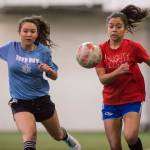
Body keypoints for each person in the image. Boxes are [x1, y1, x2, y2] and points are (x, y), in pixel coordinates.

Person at [0, 15, 81, 150]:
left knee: (57, 135)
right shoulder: (10, 48)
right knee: (29, 136)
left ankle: (66, 137)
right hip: (20, 102)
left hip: (41, 101)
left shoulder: (44, 52)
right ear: (19, 32)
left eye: (32, 31)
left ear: (37, 34)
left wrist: (48, 70)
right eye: (25, 31)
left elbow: (55, 76)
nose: (29, 34)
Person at [95, 5, 150, 150]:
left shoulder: (134, 47)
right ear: (107, 28)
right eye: (111, 26)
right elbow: (103, 79)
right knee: (115, 146)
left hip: (132, 98)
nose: (114, 29)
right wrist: (118, 71)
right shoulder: (99, 51)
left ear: (125, 29)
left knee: (130, 136)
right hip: (111, 101)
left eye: (118, 26)